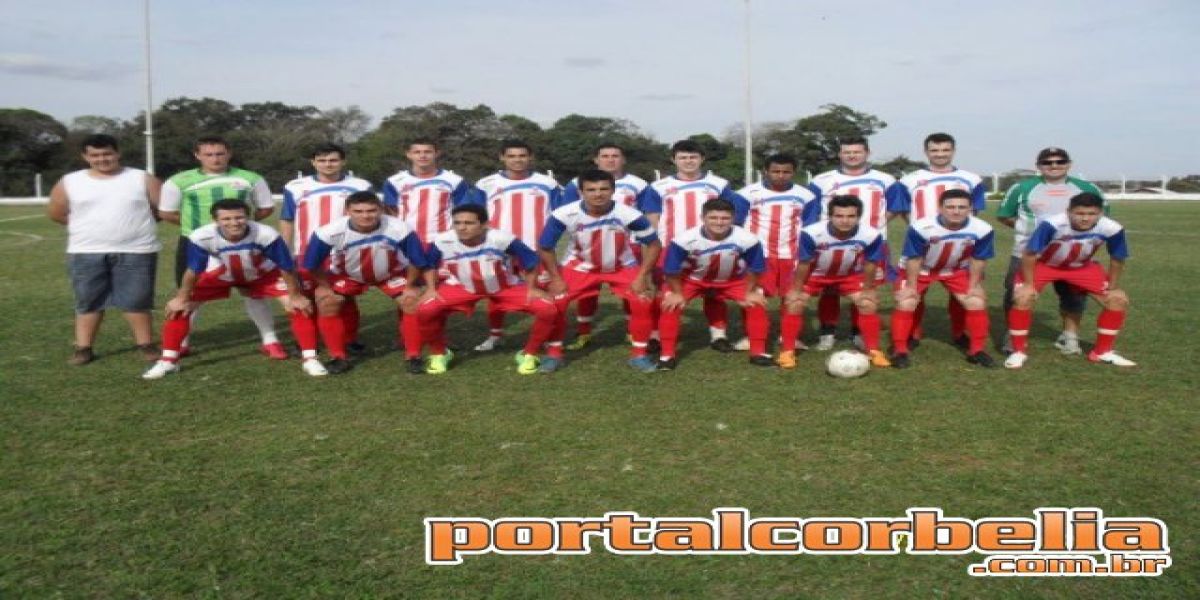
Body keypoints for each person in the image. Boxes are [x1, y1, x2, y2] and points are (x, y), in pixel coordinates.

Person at [142, 200, 319, 379]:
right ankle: (168, 361)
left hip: (262, 273)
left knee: (297, 306)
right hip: (221, 273)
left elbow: (285, 266)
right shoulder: (201, 236)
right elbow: (194, 270)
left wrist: (295, 295)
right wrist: (182, 297)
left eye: (239, 217)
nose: (234, 223)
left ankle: (310, 359)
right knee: (180, 308)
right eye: (226, 219)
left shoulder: (266, 234)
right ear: (215, 220)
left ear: (248, 217)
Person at [159, 136, 284, 359]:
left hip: (243, 244)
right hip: (196, 244)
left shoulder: (250, 178)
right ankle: (181, 343)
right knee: (189, 293)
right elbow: (167, 212)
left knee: (253, 291)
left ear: (229, 153)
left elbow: (265, 207)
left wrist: (240, 227)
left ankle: (270, 340)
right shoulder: (178, 181)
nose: (215, 159)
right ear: (197, 155)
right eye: (208, 154)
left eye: (219, 154)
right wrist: (199, 230)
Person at [47, 134, 162, 365]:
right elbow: (56, 213)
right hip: (85, 251)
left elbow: (161, 209)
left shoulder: (142, 178)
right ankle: (83, 348)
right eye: (95, 155)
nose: (102, 159)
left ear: (118, 153)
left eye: (107, 153)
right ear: (85, 156)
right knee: (88, 301)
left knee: (137, 301)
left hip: (137, 250)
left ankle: (146, 345)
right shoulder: (70, 181)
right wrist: (89, 228)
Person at [538, 169, 662, 373]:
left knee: (642, 301)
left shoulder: (629, 214)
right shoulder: (564, 213)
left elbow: (654, 244)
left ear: (613, 190)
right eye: (591, 189)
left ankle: (639, 355)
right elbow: (545, 246)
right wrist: (556, 278)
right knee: (556, 303)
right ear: (581, 192)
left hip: (621, 266)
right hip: (580, 266)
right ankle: (554, 354)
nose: (598, 194)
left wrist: (642, 276)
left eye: (604, 189)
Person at [416, 204, 561, 375]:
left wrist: (532, 288)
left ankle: (529, 354)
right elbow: (430, 265)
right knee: (425, 309)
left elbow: (530, 260)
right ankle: (439, 353)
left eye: (469, 223)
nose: (462, 227)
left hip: (505, 288)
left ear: (484, 224)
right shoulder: (442, 240)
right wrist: (431, 289)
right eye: (457, 223)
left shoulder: (502, 239)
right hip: (462, 287)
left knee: (547, 309)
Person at [640, 140, 750, 351]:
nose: (688, 161)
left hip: (712, 246)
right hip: (671, 247)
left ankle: (718, 335)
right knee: (663, 291)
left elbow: (731, 212)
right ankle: (656, 334)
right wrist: (655, 245)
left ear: (702, 159)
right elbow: (652, 217)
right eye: (683, 157)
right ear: (673, 160)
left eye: (693, 157)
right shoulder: (659, 187)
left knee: (715, 290)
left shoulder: (719, 184)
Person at [997, 147, 1106, 355]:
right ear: (1038, 166)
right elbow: (1004, 215)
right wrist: (1029, 231)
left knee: (1074, 295)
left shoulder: (1087, 188)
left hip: (1070, 255)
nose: (1054, 165)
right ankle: (1013, 334)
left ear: (1069, 164)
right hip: (1028, 253)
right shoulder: (1021, 188)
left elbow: (1099, 216)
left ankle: (1069, 336)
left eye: (1059, 161)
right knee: (1016, 293)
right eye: (1047, 162)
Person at [1005, 192, 1133, 369]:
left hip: (1081, 267)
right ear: (1068, 212)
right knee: (1023, 298)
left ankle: (1102, 352)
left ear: (1101, 213)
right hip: (1044, 265)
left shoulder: (1112, 228)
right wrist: (1028, 285)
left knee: (1117, 300)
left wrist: (1113, 287)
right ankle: (1018, 351)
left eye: (1092, 214)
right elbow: (1030, 253)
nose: (1085, 218)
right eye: (1080, 213)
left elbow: (1117, 258)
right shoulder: (1053, 224)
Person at [302, 192, 426, 374]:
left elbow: (417, 260)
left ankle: (413, 355)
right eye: (358, 211)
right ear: (347, 211)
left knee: (411, 301)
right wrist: (325, 287)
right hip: (348, 275)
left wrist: (410, 286)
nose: (365, 216)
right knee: (327, 301)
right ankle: (338, 356)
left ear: (381, 209)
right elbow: (312, 263)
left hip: (390, 274)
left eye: (371, 210)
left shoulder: (399, 228)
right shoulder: (328, 231)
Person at [466, 140, 565, 352]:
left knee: (544, 290)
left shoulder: (547, 183)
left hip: (536, 248)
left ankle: (548, 335)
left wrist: (549, 241)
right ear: (502, 157)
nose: (517, 160)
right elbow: (476, 215)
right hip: (500, 249)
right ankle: (495, 335)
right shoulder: (486, 183)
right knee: (496, 291)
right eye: (511, 156)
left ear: (530, 157)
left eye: (522, 156)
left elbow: (559, 215)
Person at [808, 136, 904, 350]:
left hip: (870, 244)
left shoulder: (885, 179)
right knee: (829, 289)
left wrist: (875, 226)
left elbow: (895, 207)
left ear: (867, 153)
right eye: (847, 152)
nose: (852, 156)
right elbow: (811, 211)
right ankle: (827, 332)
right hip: (830, 244)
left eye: (857, 152)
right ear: (840, 154)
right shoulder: (821, 180)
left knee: (865, 288)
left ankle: (858, 332)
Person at [893, 133, 988, 348]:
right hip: (922, 247)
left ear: (953, 151)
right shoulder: (909, 179)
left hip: (959, 248)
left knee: (963, 296)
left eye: (945, 150)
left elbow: (975, 212)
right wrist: (921, 230)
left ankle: (960, 333)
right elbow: (904, 211)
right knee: (914, 294)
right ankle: (912, 334)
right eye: (934, 150)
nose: (940, 154)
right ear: (926, 152)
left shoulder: (972, 179)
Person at [279, 142, 374, 355]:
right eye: (322, 160)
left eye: (333, 160)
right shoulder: (295, 186)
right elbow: (287, 218)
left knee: (345, 297)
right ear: (313, 162)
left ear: (343, 161)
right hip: (306, 251)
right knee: (306, 296)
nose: (328, 164)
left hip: (345, 252)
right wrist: (285, 249)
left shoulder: (360, 185)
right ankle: (307, 341)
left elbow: (370, 216)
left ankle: (349, 339)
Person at [657, 198, 771, 370]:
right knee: (670, 304)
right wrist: (677, 294)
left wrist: (750, 292)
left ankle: (758, 352)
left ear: (733, 218)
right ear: (703, 218)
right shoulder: (684, 239)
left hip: (732, 280)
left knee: (756, 303)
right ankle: (667, 356)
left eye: (725, 218)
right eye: (713, 218)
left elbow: (756, 267)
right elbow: (671, 269)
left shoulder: (747, 239)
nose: (719, 222)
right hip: (692, 280)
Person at [778, 195, 890, 369]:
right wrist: (797, 290)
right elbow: (804, 263)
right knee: (795, 303)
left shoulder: (871, 234)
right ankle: (787, 351)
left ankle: (873, 350)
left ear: (859, 217)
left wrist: (868, 289)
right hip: (814, 275)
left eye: (851, 216)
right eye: (839, 216)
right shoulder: (811, 233)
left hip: (848, 275)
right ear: (830, 216)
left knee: (868, 303)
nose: (845, 221)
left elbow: (871, 263)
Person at [890, 189, 997, 369]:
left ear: (970, 208)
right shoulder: (921, 227)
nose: (956, 211)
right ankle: (900, 350)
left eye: (962, 207)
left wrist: (974, 285)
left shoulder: (983, 229)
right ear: (940, 208)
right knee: (907, 302)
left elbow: (978, 258)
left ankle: (976, 350)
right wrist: (911, 287)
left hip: (956, 269)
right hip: (921, 269)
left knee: (976, 301)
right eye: (951, 207)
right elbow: (914, 258)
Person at [560, 143, 651, 350]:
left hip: (627, 245)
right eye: (605, 156)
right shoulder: (576, 183)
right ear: (596, 159)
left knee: (632, 290)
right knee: (587, 290)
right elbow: (566, 213)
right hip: (587, 245)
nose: (610, 160)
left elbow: (646, 213)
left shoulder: (638, 184)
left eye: (615, 156)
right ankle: (584, 332)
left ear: (623, 159)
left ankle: (632, 331)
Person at [737, 153, 821, 352]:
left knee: (791, 296)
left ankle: (789, 336)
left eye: (786, 172)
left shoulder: (806, 196)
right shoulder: (746, 194)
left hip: (791, 254)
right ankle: (752, 336)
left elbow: (810, 227)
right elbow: (736, 224)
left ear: (793, 172)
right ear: (765, 171)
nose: (781, 175)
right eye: (775, 171)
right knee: (754, 294)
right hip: (759, 255)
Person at [382, 138, 473, 244]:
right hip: (407, 240)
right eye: (417, 152)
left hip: (443, 240)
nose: (422, 156)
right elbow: (390, 213)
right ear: (409, 154)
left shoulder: (454, 180)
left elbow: (464, 211)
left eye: (428, 152)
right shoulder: (394, 181)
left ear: (437, 153)